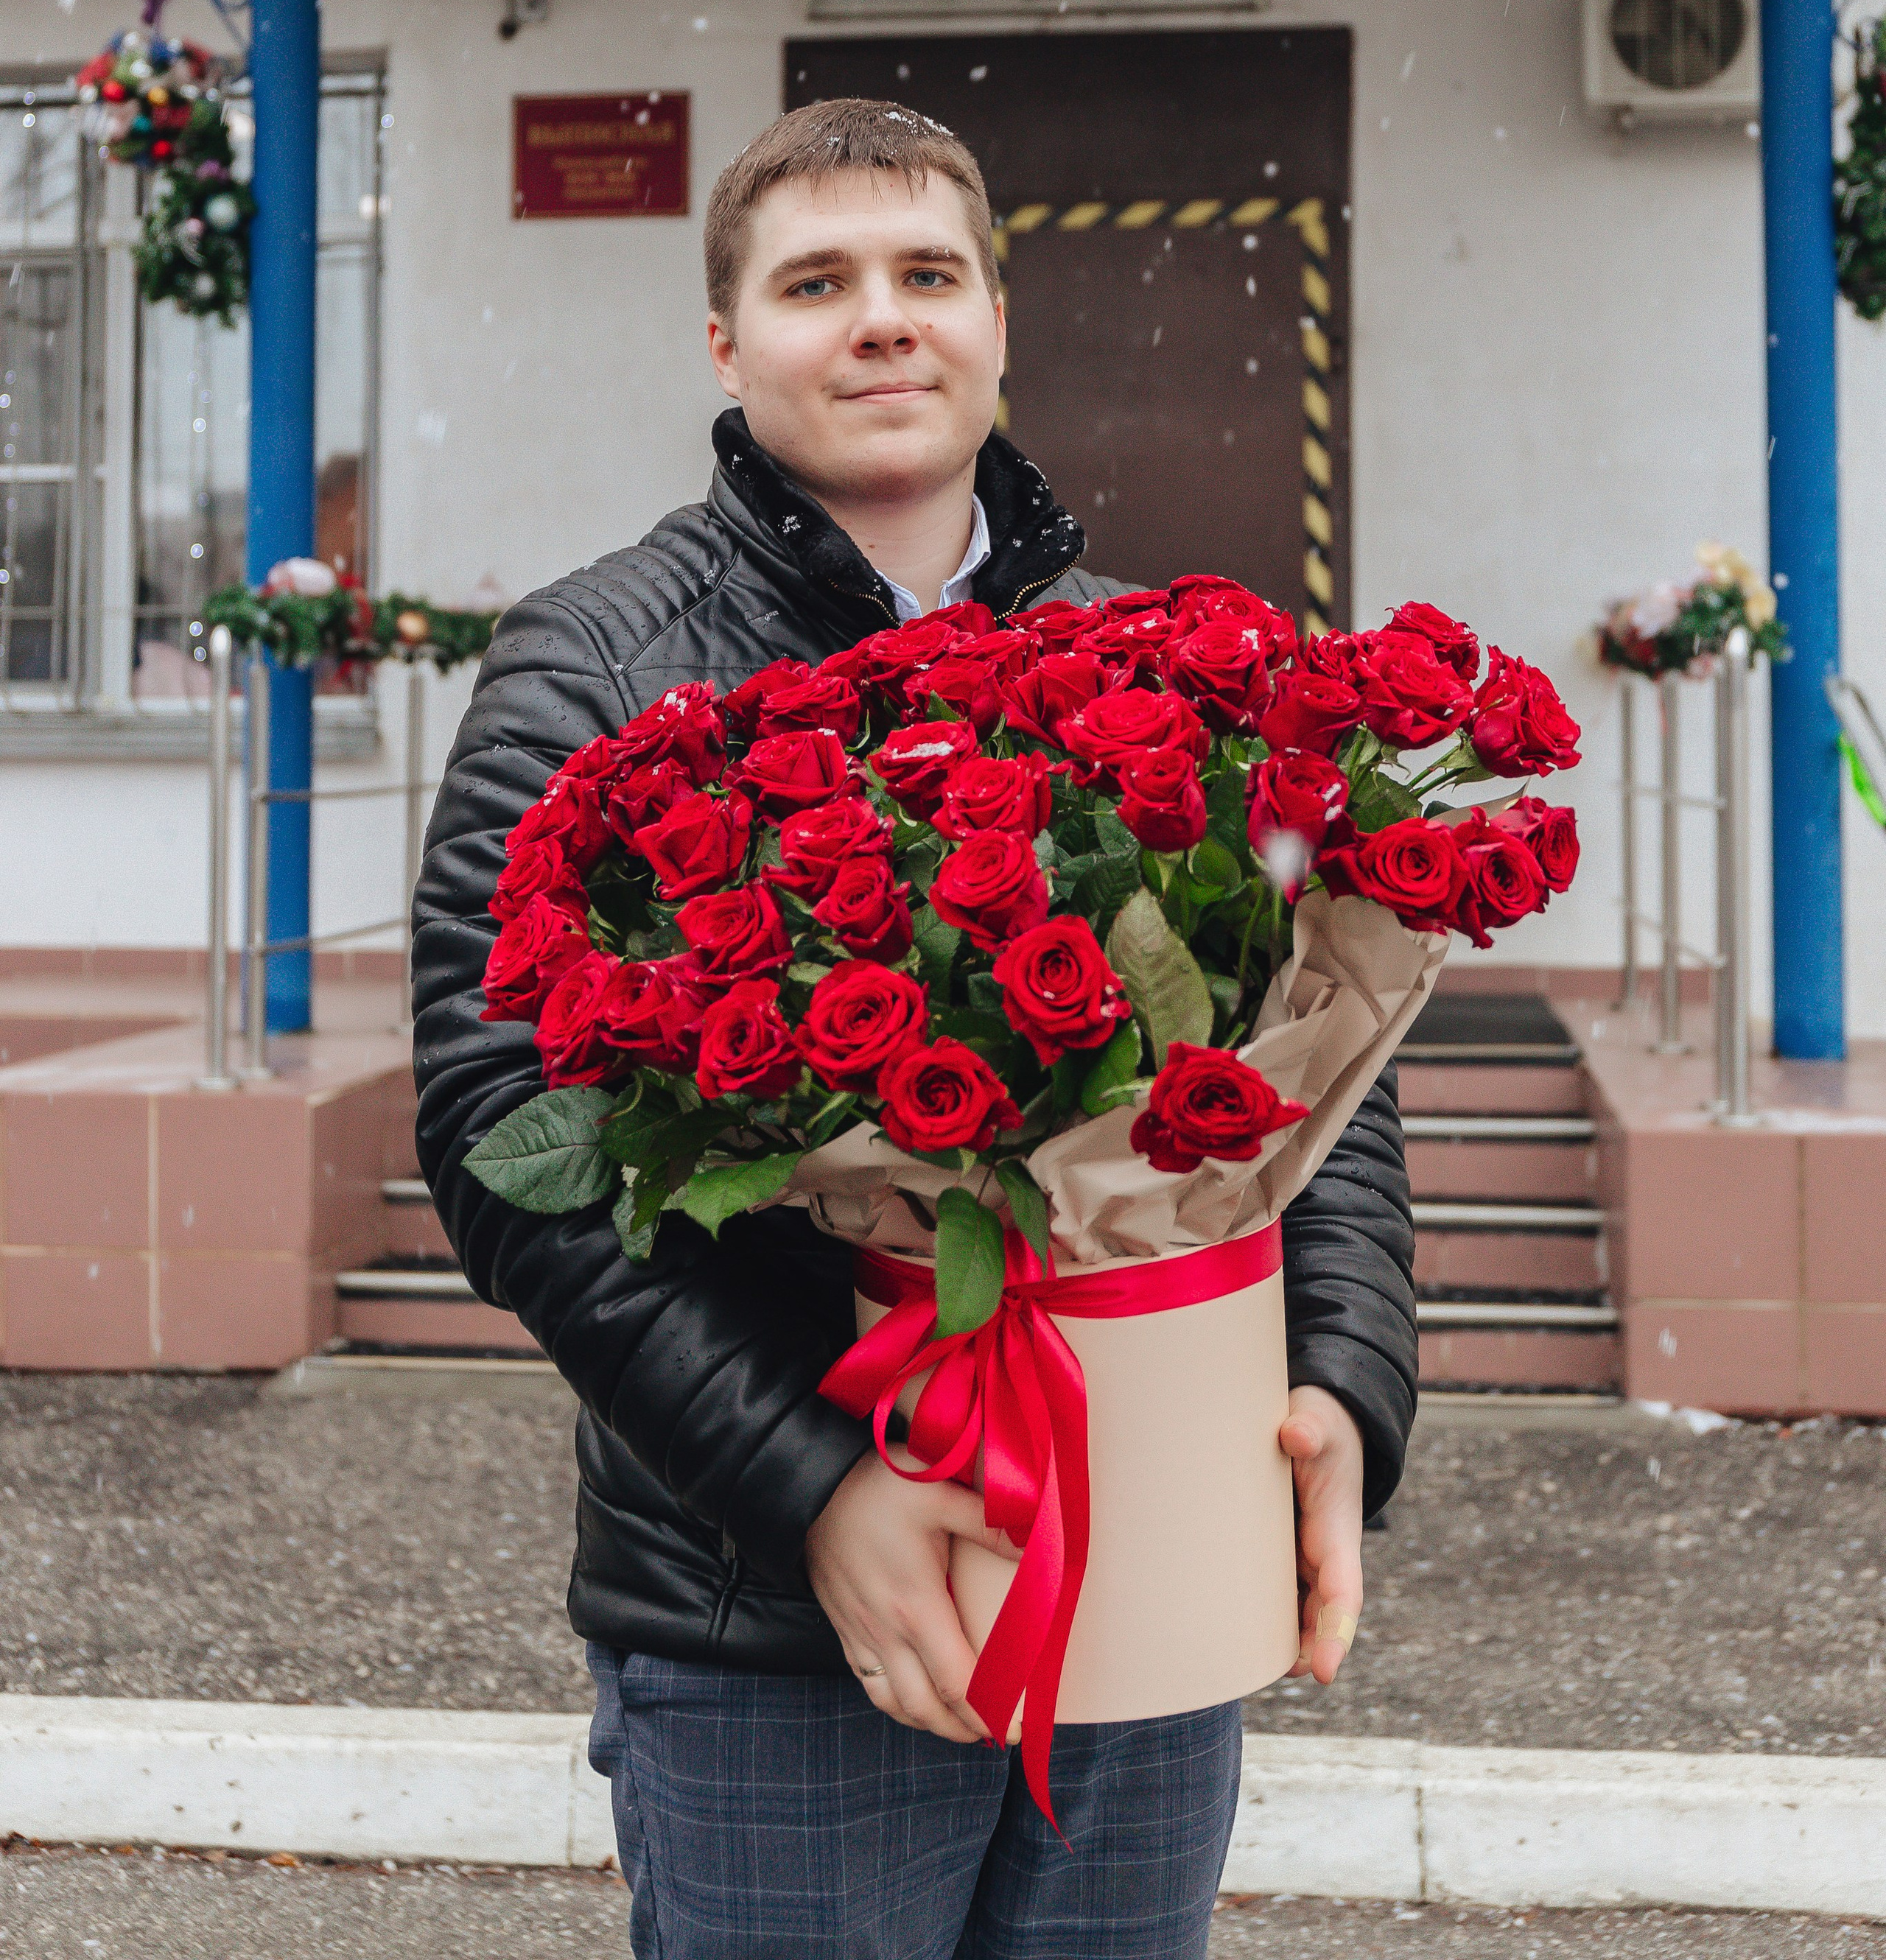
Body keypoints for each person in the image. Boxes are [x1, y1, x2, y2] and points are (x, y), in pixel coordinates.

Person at [413, 97, 1417, 1960]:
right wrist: (814, 1490)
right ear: (725, 343)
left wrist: (1343, 1397)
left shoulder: (1163, 661)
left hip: (1152, 1569)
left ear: (995, 321)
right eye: (815, 282)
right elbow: (500, 1134)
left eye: (924, 274)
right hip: (784, 1620)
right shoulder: (594, 663)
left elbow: (1317, 1084)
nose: (881, 319)